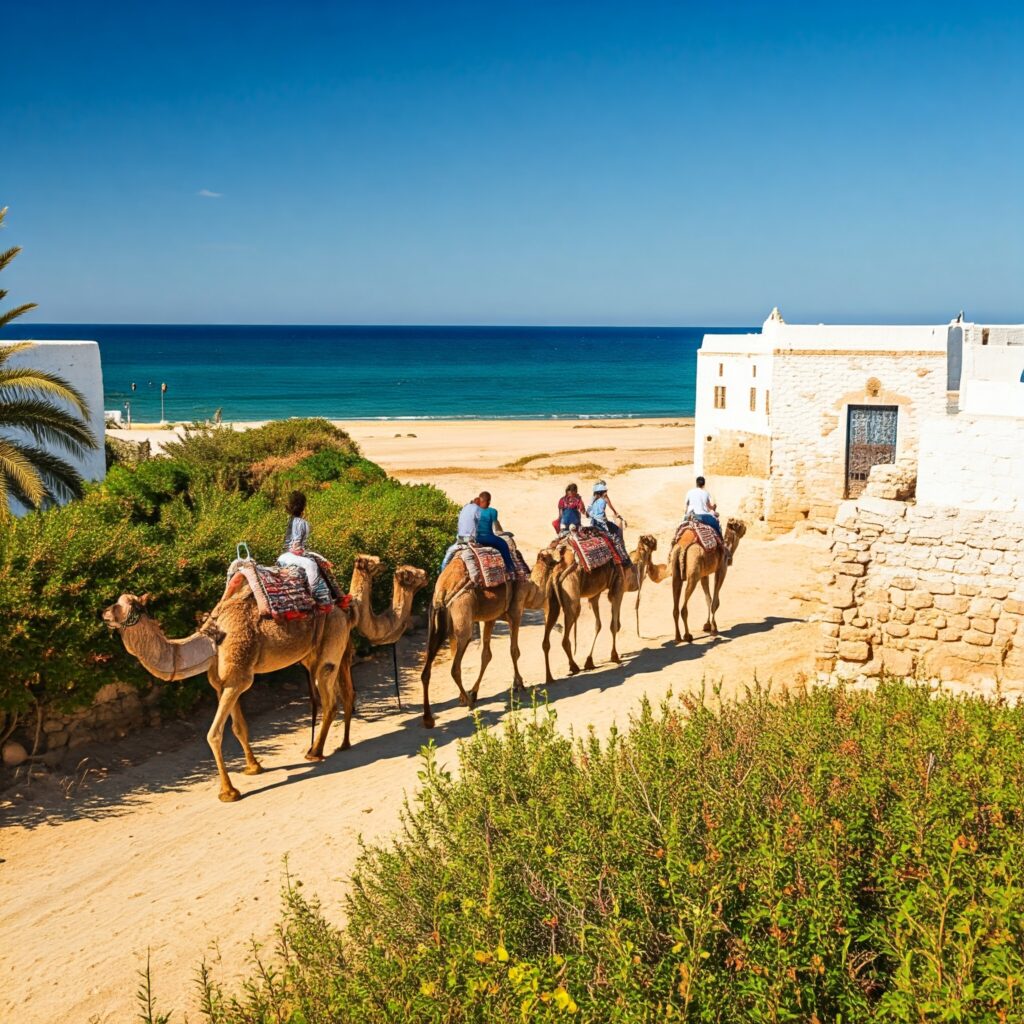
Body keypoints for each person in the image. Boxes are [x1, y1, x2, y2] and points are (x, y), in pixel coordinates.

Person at [276, 491, 320, 591]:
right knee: (311, 565)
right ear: (303, 507)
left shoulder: (286, 521)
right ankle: (317, 596)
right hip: (291, 556)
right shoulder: (302, 523)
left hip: (283, 557)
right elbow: (296, 548)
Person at [475, 491, 515, 574]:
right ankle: (510, 567)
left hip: (476, 538)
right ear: (488, 501)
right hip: (487, 538)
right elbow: (497, 529)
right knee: (503, 544)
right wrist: (504, 533)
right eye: (489, 501)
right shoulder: (492, 511)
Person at [440, 496, 482, 570]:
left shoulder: (464, 508)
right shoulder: (478, 509)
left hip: (461, 539)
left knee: (448, 554)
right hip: (471, 539)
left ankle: (442, 571)